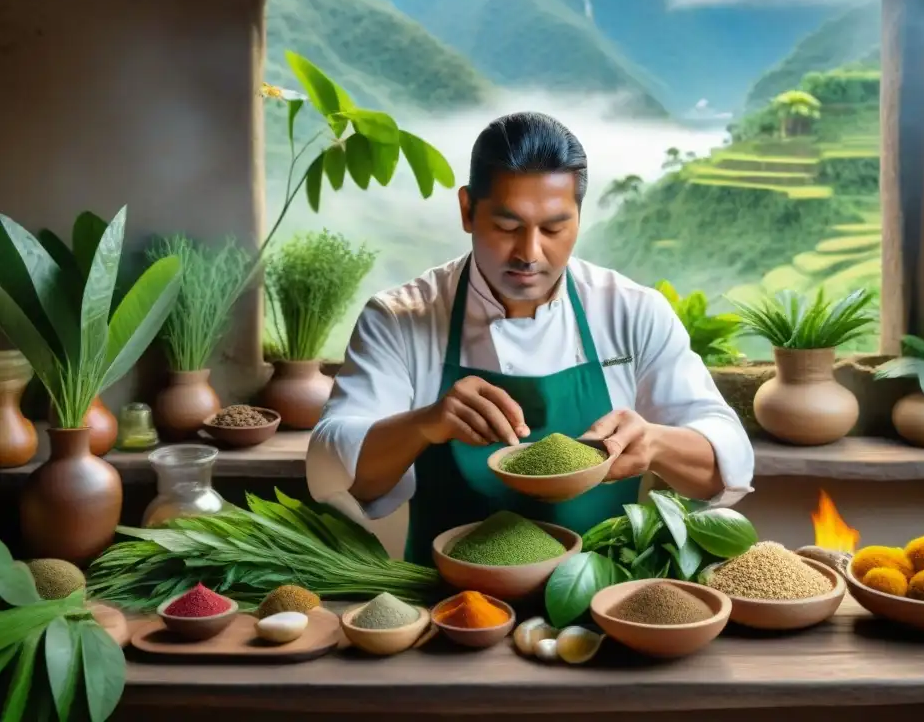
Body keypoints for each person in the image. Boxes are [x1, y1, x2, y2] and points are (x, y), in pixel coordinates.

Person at [306, 111, 755, 565]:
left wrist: (655, 443)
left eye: (555, 229)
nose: (530, 253)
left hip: (604, 597)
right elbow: (334, 465)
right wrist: (426, 422)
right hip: (449, 606)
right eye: (507, 227)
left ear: (579, 217)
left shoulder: (632, 311)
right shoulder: (401, 318)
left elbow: (726, 458)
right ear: (467, 210)